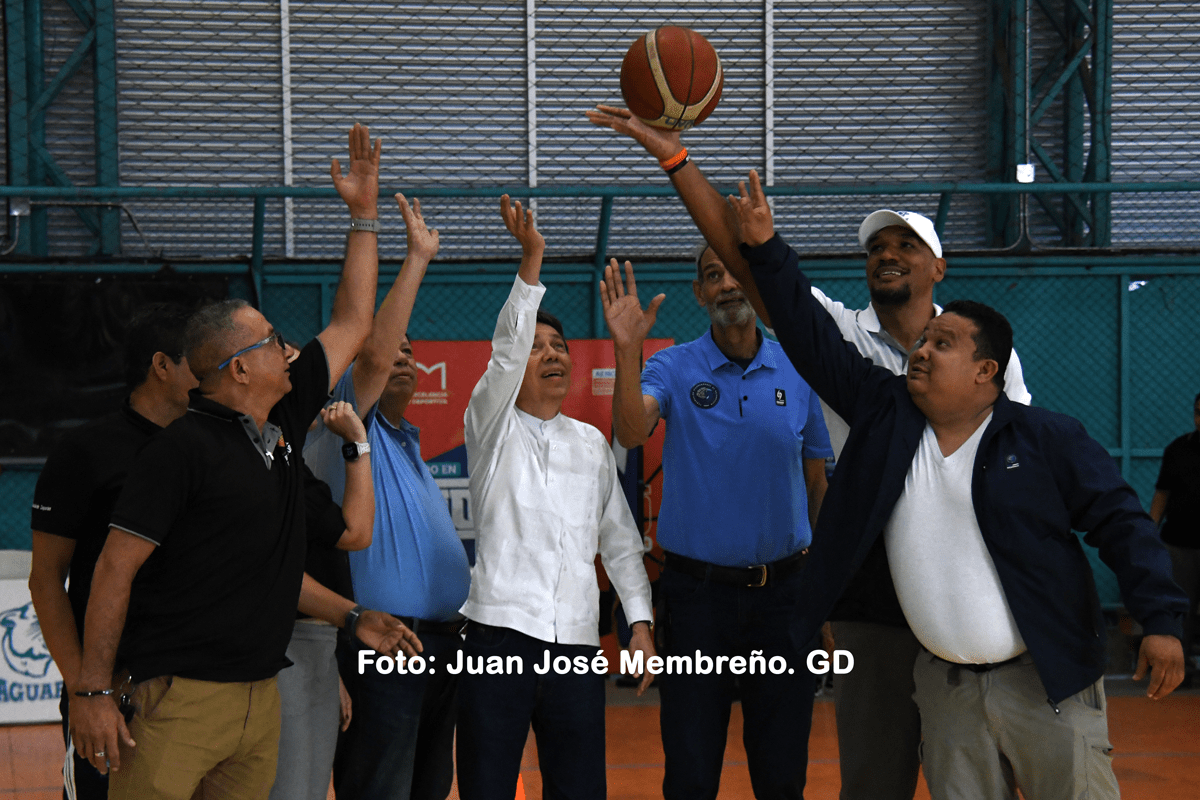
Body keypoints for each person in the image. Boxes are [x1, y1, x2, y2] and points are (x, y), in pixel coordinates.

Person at [587, 104, 1031, 800]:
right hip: (869, 586)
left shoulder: (987, 354)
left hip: (970, 583)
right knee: (870, 777)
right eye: (875, 247)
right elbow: (752, 268)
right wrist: (677, 160)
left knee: (975, 775)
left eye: (905, 245)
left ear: (940, 265)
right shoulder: (841, 346)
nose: (886, 254)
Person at [725, 168, 1187, 800]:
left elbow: (1122, 523)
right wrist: (762, 244)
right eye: (921, 342)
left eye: (940, 342)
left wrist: (1160, 619)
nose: (921, 348)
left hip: (1044, 676)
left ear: (985, 372)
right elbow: (801, 325)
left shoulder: (1043, 438)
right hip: (946, 687)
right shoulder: (886, 417)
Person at [68, 124, 419, 800]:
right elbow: (114, 568)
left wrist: (363, 217)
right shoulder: (180, 452)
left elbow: (351, 321)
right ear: (237, 371)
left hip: (261, 695)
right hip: (181, 699)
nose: (287, 348)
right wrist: (90, 689)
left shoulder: (277, 429)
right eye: (270, 341)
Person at [601, 244, 831, 800]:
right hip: (697, 603)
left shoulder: (799, 369)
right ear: (699, 293)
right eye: (713, 276)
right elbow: (632, 432)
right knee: (691, 770)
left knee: (782, 774)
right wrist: (627, 350)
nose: (727, 284)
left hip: (784, 601)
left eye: (736, 274)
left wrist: (822, 595)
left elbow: (818, 483)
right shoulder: (672, 367)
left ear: (757, 288)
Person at [455, 196, 655, 800]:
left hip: (576, 645)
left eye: (560, 348)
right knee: (487, 789)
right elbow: (506, 350)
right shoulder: (490, 425)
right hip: (497, 641)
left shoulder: (591, 443)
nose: (552, 355)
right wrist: (532, 262)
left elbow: (620, 543)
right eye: (539, 347)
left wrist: (640, 625)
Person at [304, 194, 472, 800]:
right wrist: (417, 258)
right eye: (392, 347)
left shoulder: (405, 444)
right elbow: (373, 352)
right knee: (380, 788)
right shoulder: (344, 423)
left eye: (410, 350)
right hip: (383, 644)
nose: (402, 354)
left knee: (429, 786)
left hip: (442, 643)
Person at [29, 302, 196, 800]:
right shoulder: (85, 452)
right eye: (201, 360)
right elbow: (45, 579)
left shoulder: (211, 448)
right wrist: (85, 690)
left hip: (200, 691)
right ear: (161, 366)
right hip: (114, 691)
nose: (217, 372)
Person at [1150, 391, 1200, 686]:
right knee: (1182, 609)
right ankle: (1182, 670)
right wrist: (1149, 530)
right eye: (1197, 411)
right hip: (1179, 544)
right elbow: (1162, 493)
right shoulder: (1178, 450)